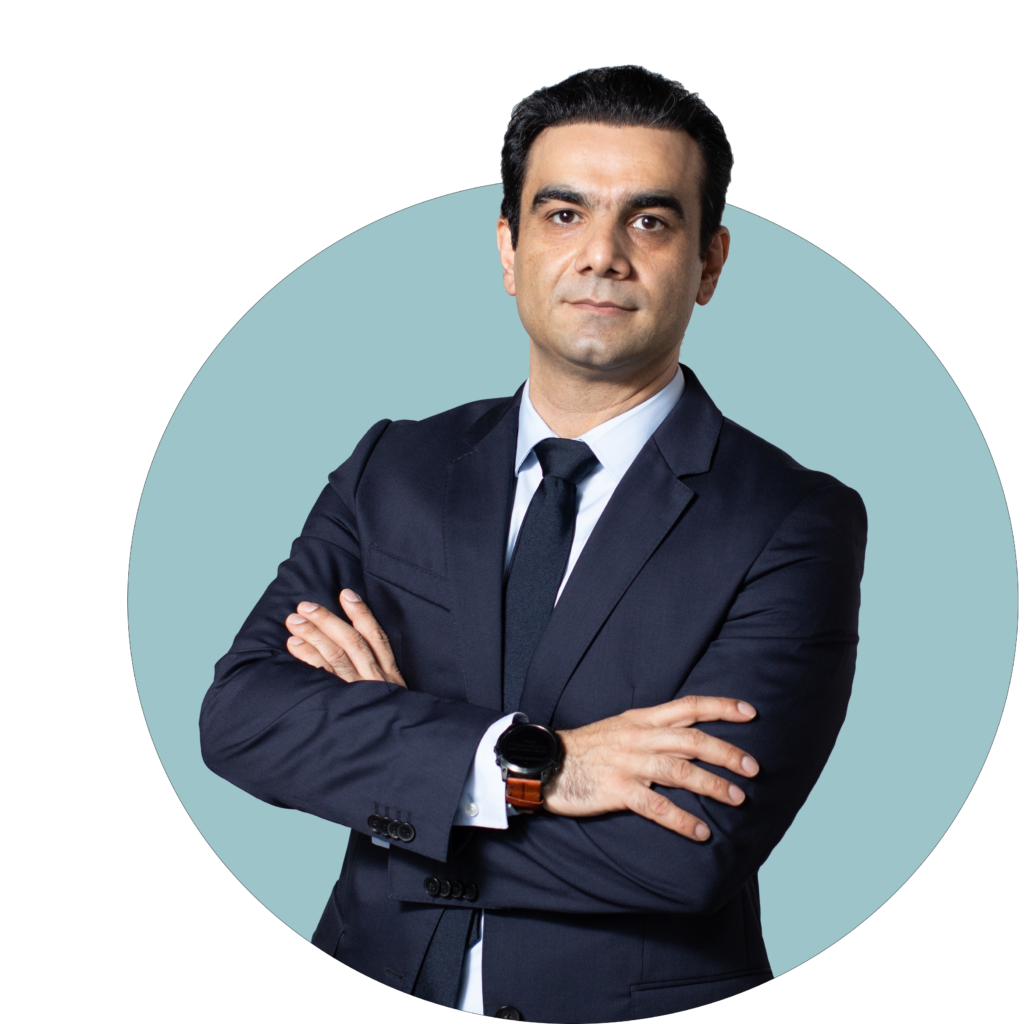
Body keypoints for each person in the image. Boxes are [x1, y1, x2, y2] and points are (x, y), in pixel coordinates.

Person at [200, 65, 867, 1021]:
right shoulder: (394, 466)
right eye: (562, 214)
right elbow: (242, 720)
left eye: (649, 220)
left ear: (710, 263)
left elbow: (686, 851)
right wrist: (540, 765)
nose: (602, 255)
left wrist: (402, 781)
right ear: (509, 249)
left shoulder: (794, 520)